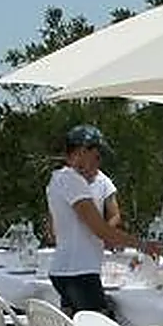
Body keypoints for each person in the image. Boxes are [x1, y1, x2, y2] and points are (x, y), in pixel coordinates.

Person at [45, 124, 142, 316]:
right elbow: (100, 229)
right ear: (82, 152)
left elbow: (54, 228)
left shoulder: (57, 179)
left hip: (64, 269)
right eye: (97, 156)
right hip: (79, 270)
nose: (99, 163)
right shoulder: (73, 181)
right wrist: (143, 245)